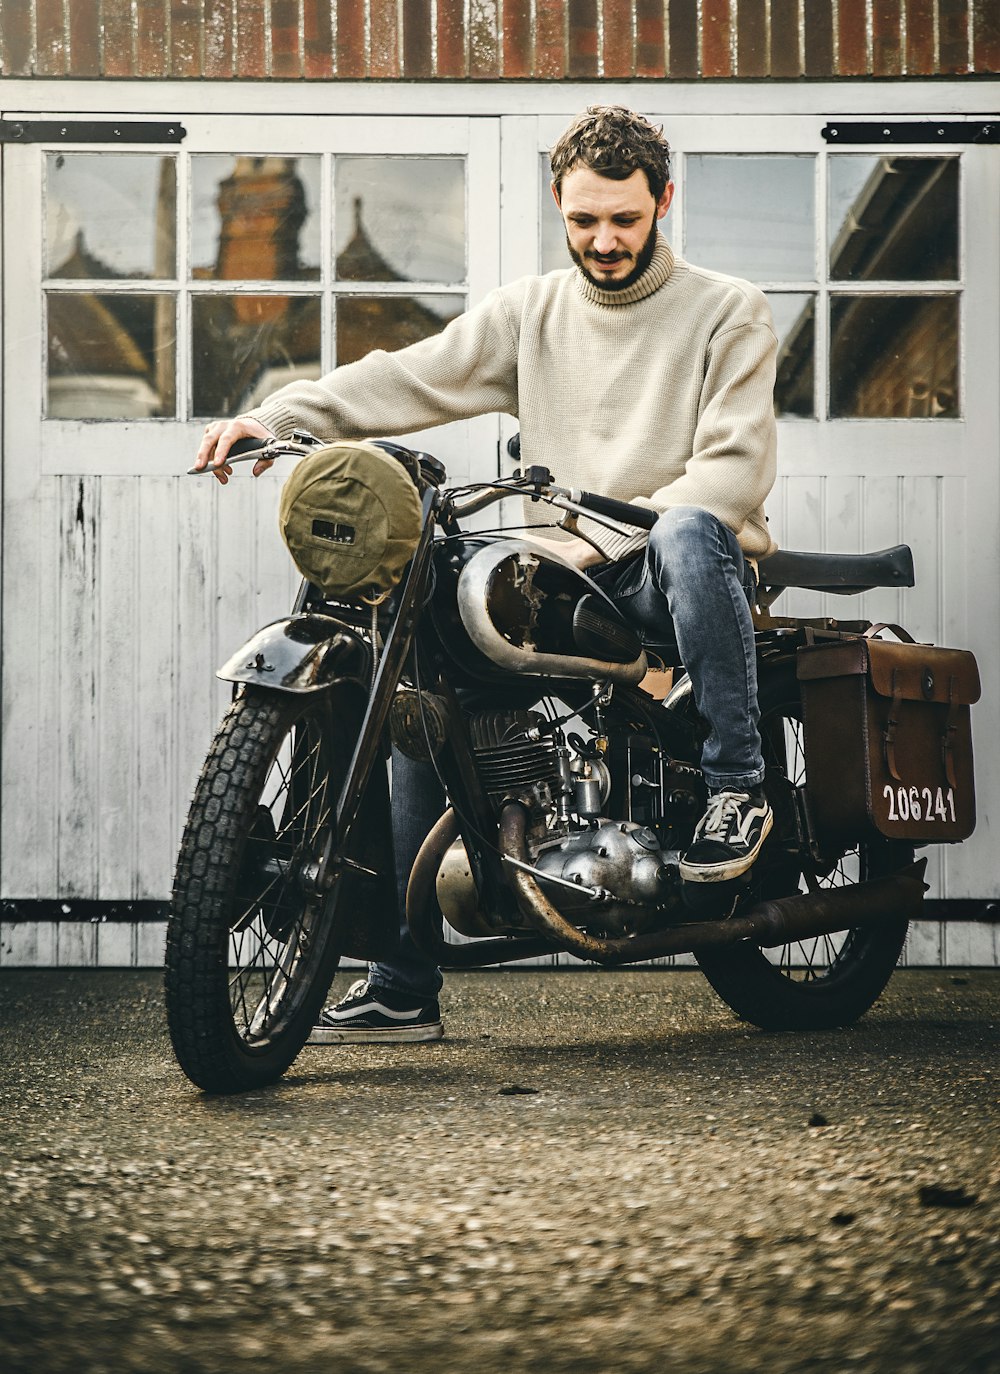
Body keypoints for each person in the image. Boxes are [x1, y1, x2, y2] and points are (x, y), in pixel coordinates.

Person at [195, 105, 778, 1046]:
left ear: (662, 203)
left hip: (673, 570)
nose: (604, 241)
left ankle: (735, 785)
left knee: (687, 526)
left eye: (625, 220)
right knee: (428, 648)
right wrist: (279, 414)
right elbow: (410, 374)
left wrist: (602, 537)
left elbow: (733, 468)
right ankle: (404, 975)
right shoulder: (534, 312)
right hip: (566, 572)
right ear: (559, 204)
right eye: (584, 220)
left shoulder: (727, 310)